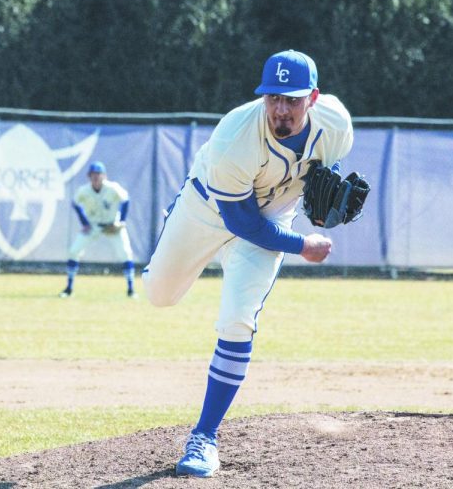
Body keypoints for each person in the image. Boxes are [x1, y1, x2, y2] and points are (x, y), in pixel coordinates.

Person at [142, 49, 361, 477]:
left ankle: (203, 437)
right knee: (159, 295)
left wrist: (322, 202)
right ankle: (170, 229)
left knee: (238, 321)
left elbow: (329, 165)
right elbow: (241, 222)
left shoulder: (337, 124)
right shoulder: (234, 138)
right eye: (273, 98)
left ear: (313, 98)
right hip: (207, 209)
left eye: (292, 100)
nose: (280, 109)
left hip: (271, 216)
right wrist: (304, 243)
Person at [61, 161, 136, 298]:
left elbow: (125, 199)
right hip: (94, 225)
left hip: (112, 225)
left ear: (104, 176)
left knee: (126, 253)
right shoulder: (84, 191)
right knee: (73, 251)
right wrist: (84, 222)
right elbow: (76, 203)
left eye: (98, 174)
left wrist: (121, 221)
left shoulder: (112, 188)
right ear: (89, 176)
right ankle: (69, 288)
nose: (96, 177)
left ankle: (131, 290)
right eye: (93, 175)